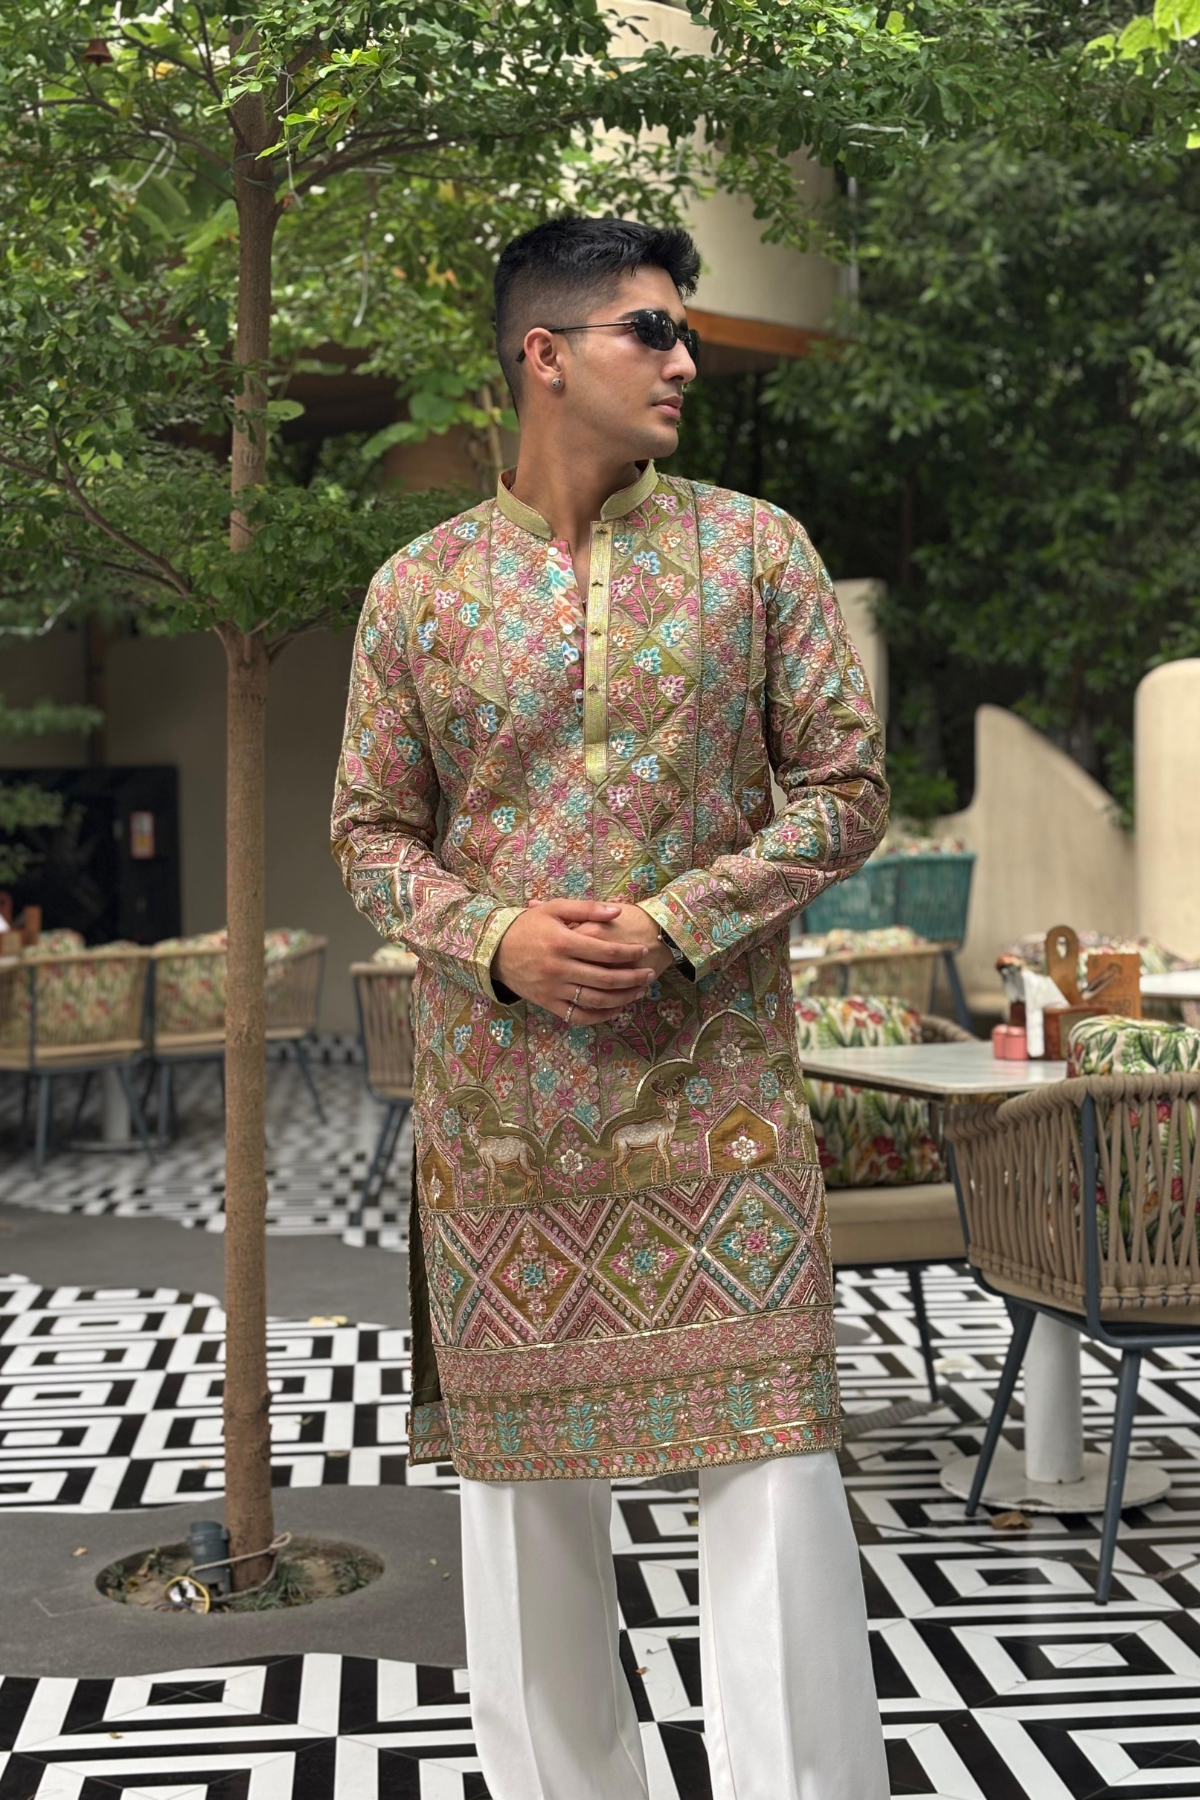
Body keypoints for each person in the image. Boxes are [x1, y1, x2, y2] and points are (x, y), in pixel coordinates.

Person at [332, 214, 890, 1800]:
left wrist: (676, 919)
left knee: (772, 1476)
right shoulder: (420, 591)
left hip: (718, 1105)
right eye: (651, 331)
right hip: (505, 1122)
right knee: (523, 1518)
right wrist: (497, 937)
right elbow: (369, 831)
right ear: (546, 355)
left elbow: (846, 789)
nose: (684, 361)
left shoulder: (756, 552)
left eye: (686, 331)